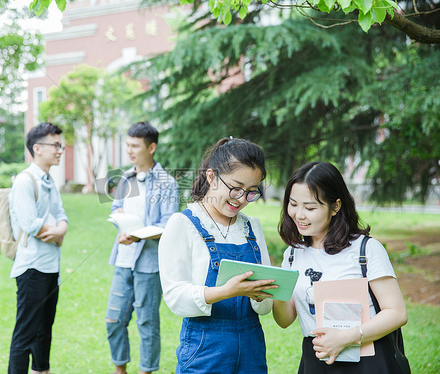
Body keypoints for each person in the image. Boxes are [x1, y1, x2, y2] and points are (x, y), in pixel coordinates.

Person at [273, 161, 408, 373]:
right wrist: (272, 291)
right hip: (315, 358)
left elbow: (397, 313)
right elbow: (284, 320)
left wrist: (346, 337)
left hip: (366, 358)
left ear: (335, 206)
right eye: (293, 204)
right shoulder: (292, 253)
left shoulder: (366, 249)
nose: (299, 214)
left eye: (310, 207)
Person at [158, 138, 276, 374]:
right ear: (211, 177)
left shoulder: (252, 227)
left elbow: (266, 307)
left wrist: (261, 296)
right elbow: (175, 296)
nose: (241, 199)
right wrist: (227, 291)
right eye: (235, 187)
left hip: (252, 348)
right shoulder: (183, 224)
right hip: (205, 349)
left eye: (252, 192)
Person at [105, 121, 179, 374]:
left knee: (147, 322)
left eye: (135, 145)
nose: (130, 150)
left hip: (148, 264)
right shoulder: (125, 178)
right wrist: (121, 221)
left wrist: (139, 236)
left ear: (152, 147)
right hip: (122, 259)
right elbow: (117, 209)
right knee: (114, 319)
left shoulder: (166, 183)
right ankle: (120, 369)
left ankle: (146, 371)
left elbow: (169, 223)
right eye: (128, 145)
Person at [8, 122, 69, 374]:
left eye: (61, 145)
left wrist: (58, 231)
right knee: (25, 333)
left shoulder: (49, 181)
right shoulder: (24, 181)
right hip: (31, 268)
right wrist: (57, 233)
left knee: (44, 330)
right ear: (37, 148)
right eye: (55, 145)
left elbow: (62, 216)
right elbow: (31, 225)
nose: (60, 150)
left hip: (50, 267)